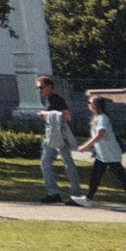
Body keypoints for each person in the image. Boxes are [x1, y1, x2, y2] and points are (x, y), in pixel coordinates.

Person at [72, 93, 126, 206]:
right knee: (95, 177)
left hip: (111, 154)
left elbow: (99, 135)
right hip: (102, 155)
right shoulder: (97, 118)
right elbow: (96, 137)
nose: (88, 104)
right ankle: (88, 199)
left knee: (122, 178)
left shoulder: (103, 118)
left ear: (95, 105)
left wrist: (85, 146)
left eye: (89, 103)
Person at [35, 75, 73, 204]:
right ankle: (53, 194)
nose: (39, 90)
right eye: (38, 88)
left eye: (41, 87)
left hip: (60, 136)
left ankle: (76, 194)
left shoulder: (56, 99)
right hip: (50, 136)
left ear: (50, 87)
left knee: (68, 164)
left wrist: (46, 114)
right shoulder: (48, 100)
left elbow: (67, 116)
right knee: (45, 163)